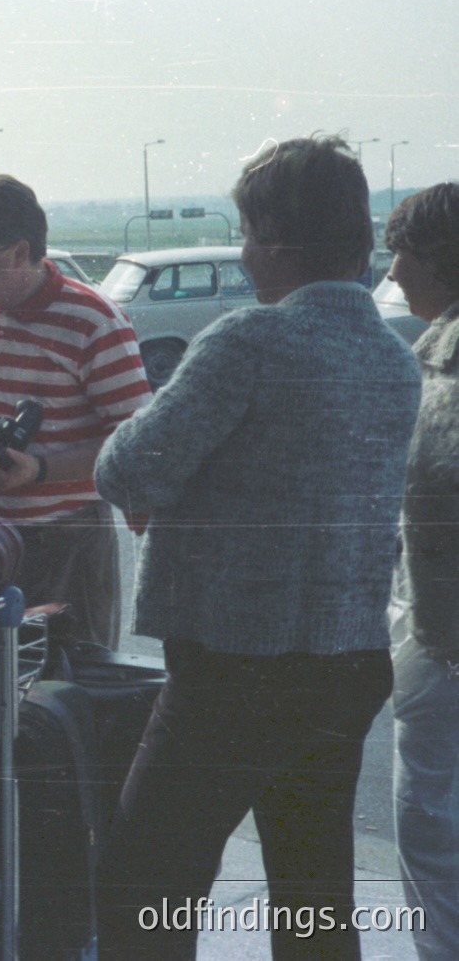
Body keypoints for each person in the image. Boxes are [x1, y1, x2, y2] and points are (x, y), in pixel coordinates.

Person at [92, 136, 422, 960]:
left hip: (234, 669)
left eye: (244, 232)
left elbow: (124, 465)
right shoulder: (393, 359)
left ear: (273, 240)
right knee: (312, 892)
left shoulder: (246, 341)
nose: (241, 252)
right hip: (345, 664)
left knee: (142, 886)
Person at [0, 174, 150, 649]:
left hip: (65, 543)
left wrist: (42, 470)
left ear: (19, 251)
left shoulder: (94, 321)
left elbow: (138, 444)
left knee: (68, 694)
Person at [382, 183, 459, 958]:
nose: (393, 268)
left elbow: (430, 489)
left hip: (443, 641)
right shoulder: (430, 346)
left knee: (428, 824)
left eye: (401, 249)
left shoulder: (444, 356)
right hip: (433, 633)